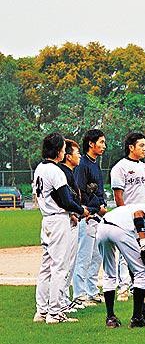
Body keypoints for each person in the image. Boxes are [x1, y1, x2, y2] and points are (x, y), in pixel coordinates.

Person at [33, 133, 88, 324]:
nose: (64, 152)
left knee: (46, 267)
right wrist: (81, 210)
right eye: (63, 149)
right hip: (58, 221)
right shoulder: (55, 171)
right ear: (58, 151)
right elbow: (65, 200)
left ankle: (41, 310)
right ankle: (55, 313)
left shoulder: (40, 168)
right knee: (59, 267)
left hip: (47, 220)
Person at [110, 132, 145, 302]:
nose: (144, 149)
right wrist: (123, 216)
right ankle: (123, 288)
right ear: (131, 147)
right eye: (141, 145)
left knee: (142, 251)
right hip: (128, 217)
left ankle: (137, 287)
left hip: (143, 218)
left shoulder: (144, 167)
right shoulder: (120, 167)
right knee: (125, 254)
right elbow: (118, 195)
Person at [96, 204, 145, 328]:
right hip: (119, 230)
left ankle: (110, 318)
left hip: (102, 229)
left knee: (109, 273)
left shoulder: (128, 214)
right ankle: (137, 319)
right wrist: (144, 242)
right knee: (141, 272)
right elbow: (138, 214)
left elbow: (132, 257)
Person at [72, 129, 108, 306]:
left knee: (96, 256)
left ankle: (92, 291)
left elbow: (96, 190)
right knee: (83, 257)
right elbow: (79, 191)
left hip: (96, 216)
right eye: (101, 142)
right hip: (86, 215)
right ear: (91, 144)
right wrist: (96, 206)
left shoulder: (94, 163)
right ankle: (79, 295)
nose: (104, 146)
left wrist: (101, 205)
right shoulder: (83, 164)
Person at [58, 139, 85, 314]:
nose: (79, 156)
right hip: (67, 220)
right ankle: (60, 301)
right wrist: (74, 212)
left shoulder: (69, 172)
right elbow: (64, 199)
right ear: (68, 156)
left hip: (72, 218)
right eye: (77, 153)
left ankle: (64, 299)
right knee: (65, 263)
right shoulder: (63, 173)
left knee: (70, 262)